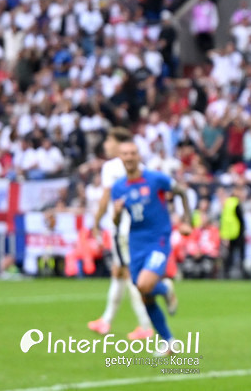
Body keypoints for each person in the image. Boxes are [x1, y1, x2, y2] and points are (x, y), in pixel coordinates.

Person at [112, 139, 192, 354]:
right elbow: (117, 221)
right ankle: (169, 342)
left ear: (139, 156)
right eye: (125, 154)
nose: (129, 157)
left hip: (159, 239)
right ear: (120, 158)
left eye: (132, 153)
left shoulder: (155, 179)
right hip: (136, 242)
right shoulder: (118, 187)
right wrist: (117, 214)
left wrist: (187, 221)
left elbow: (182, 191)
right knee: (142, 292)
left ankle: (165, 288)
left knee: (145, 285)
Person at [88, 127, 154, 340]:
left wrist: (96, 221)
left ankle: (145, 324)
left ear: (118, 143)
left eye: (108, 140)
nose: (106, 145)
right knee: (118, 271)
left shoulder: (110, 167)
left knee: (129, 274)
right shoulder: (140, 168)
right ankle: (106, 320)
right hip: (137, 228)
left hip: (122, 229)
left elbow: (106, 196)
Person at [220, 185, 249, 279]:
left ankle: (226, 273)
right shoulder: (236, 203)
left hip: (230, 234)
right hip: (238, 233)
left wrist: (225, 235)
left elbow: (224, 220)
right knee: (241, 254)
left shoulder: (227, 203)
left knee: (230, 255)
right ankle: (242, 274)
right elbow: (241, 220)